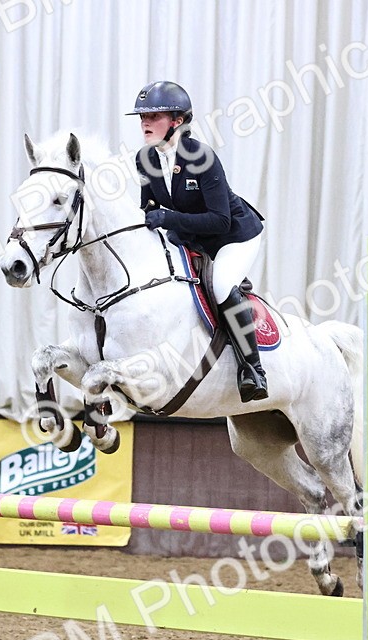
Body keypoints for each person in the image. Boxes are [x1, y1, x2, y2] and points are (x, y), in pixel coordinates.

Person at [129, 81, 269, 403]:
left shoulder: (201, 157)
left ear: (177, 121)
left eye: (154, 116)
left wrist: (168, 219)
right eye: (142, 118)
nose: (145, 123)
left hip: (234, 236)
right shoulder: (144, 160)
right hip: (193, 237)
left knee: (221, 285)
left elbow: (220, 220)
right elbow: (149, 207)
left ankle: (253, 370)